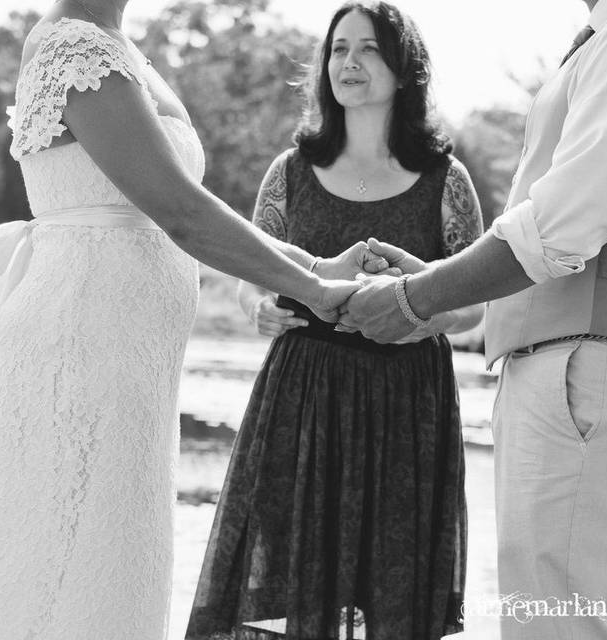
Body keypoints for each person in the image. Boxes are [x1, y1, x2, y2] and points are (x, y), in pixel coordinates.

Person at [0, 0, 364, 638]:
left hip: (132, 359)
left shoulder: (121, 47)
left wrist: (315, 263)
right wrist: (313, 287)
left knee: (111, 556)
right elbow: (178, 211)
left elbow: (179, 212)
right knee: (53, 556)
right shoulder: (74, 47)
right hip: (82, 340)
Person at [338, 0, 607, 638]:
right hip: (584, 368)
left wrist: (418, 296)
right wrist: (437, 292)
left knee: (564, 625)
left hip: (585, 373)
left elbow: (562, 226)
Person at [185, 3, 483, 639]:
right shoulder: (289, 173)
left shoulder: (446, 181)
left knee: (392, 592)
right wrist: (257, 307)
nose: (350, 62)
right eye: (339, 48)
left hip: (410, 403)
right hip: (304, 396)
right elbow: (249, 272)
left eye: (370, 49)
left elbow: (475, 305)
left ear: (405, 71)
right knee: (293, 591)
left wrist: (422, 308)